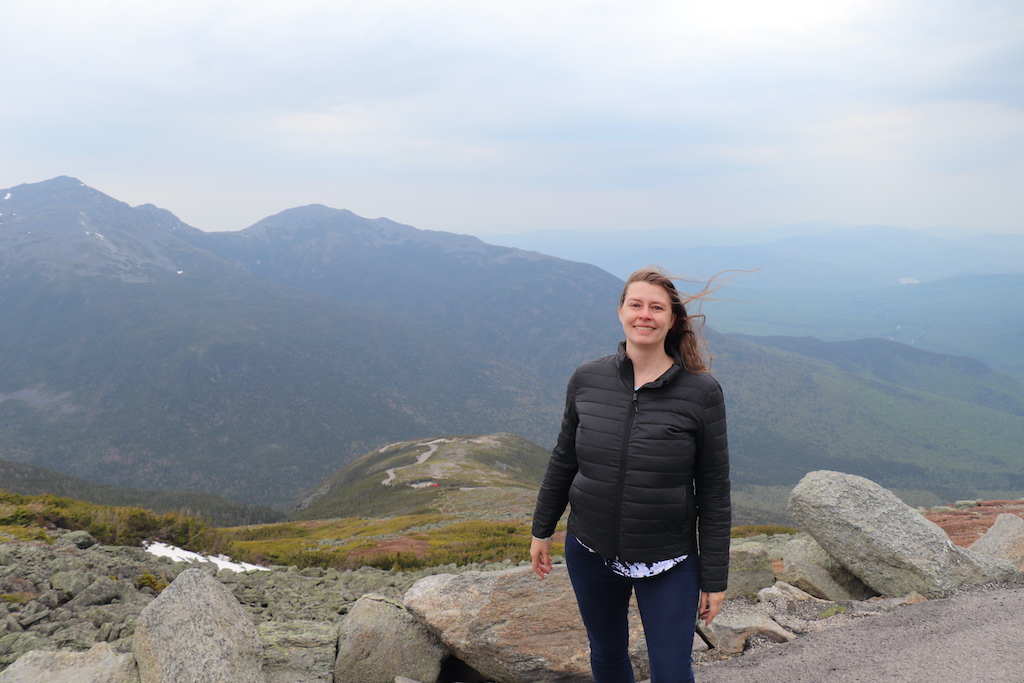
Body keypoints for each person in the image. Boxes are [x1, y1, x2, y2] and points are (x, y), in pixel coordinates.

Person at [530, 266, 731, 683]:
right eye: (636, 304)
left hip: (670, 559)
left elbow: (714, 491)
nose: (645, 315)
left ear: (672, 320)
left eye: (656, 307)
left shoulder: (701, 392)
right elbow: (564, 459)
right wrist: (542, 529)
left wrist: (714, 578)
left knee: (672, 671)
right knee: (606, 654)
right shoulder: (588, 378)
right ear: (620, 311)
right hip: (590, 550)